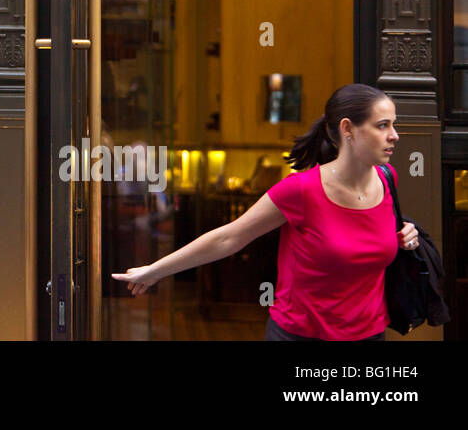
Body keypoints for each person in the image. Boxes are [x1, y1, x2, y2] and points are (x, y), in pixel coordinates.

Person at [111, 83, 419, 341]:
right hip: (300, 336)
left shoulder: (387, 179)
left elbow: (374, 234)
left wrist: (405, 235)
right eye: (383, 126)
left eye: (393, 125)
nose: (394, 135)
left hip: (370, 335)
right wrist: (156, 271)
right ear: (348, 129)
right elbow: (229, 237)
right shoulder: (301, 190)